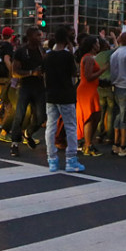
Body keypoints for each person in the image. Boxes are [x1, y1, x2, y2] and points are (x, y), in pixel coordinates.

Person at [44, 27, 85, 173]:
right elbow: (74, 73)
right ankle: (71, 160)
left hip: (51, 95)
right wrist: (71, 50)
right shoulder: (67, 56)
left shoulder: (48, 56)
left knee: (51, 126)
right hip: (66, 95)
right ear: (67, 39)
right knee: (70, 127)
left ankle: (52, 160)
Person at [10, 27, 46, 158]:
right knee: (19, 115)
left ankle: (28, 133)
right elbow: (14, 72)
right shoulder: (21, 52)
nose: (40, 38)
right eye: (37, 35)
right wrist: (31, 73)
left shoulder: (41, 50)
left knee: (42, 117)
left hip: (40, 88)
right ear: (30, 36)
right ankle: (14, 143)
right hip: (25, 87)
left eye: (40, 35)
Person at [75, 36, 105, 157]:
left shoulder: (89, 58)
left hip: (90, 89)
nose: (99, 45)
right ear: (93, 45)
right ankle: (88, 145)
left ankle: (88, 143)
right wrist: (102, 70)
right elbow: (88, 76)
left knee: (95, 115)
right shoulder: (88, 58)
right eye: (97, 43)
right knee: (89, 117)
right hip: (87, 90)